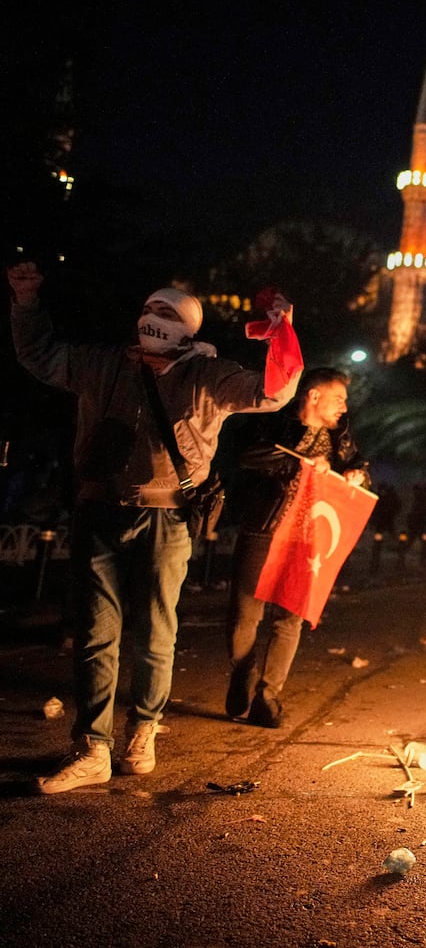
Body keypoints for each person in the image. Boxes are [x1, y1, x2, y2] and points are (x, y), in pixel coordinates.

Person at [9, 261, 302, 793]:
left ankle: (141, 733)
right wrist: (26, 302)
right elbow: (39, 355)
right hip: (99, 510)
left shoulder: (210, 376)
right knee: (97, 635)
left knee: (154, 633)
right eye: (149, 309)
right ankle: (92, 747)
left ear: (189, 328)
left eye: (167, 313)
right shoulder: (103, 366)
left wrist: (283, 333)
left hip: (167, 518)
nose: (153, 319)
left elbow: (273, 393)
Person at [224, 368, 367, 728]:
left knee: (290, 620)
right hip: (263, 529)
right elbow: (243, 456)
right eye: (338, 399)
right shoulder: (274, 421)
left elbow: (360, 467)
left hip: (307, 541)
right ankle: (243, 674)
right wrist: (297, 463)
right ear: (314, 396)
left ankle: (268, 696)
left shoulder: (341, 437)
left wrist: (356, 475)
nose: (343, 408)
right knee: (245, 617)